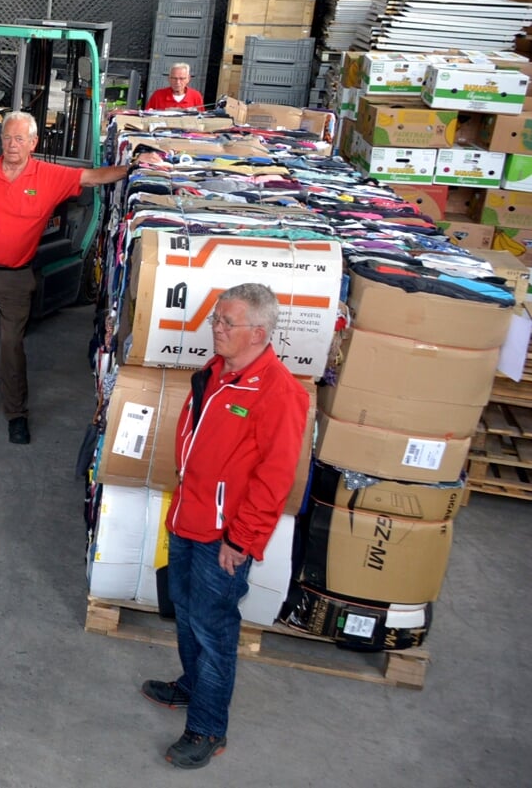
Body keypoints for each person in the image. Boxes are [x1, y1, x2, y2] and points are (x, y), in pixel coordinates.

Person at [141, 283, 307, 770]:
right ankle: (191, 686)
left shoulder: (280, 394)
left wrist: (242, 540)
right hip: (187, 518)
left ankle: (209, 728)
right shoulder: (216, 373)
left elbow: (274, 480)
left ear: (258, 332)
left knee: (214, 630)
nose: (215, 328)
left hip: (223, 538)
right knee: (187, 612)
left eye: (226, 322)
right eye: (216, 319)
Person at [0, 110, 129, 445]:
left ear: (33, 143)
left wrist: (134, 169)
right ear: (0, 140)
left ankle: (16, 414)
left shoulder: (50, 176)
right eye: (7, 137)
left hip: (16, 278)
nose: (12, 144)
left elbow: (93, 177)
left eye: (20, 138)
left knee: (12, 345)